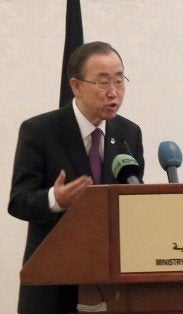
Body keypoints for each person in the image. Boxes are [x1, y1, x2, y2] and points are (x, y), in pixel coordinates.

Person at [8, 41, 144, 313]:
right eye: (103, 82)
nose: (113, 92)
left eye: (119, 81)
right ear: (76, 86)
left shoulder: (129, 134)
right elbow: (19, 201)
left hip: (114, 285)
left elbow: (132, 202)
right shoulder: (40, 131)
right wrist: (55, 199)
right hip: (53, 286)